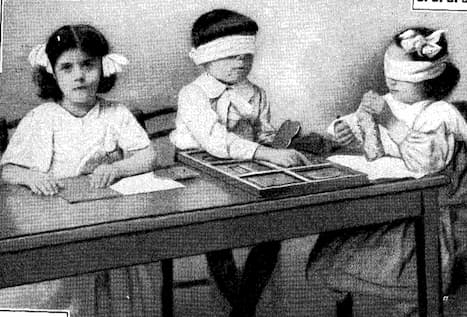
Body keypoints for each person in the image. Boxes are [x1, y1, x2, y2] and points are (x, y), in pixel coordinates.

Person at [0, 24, 160, 316]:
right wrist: (32, 176)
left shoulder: (116, 114)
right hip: (59, 229)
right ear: (53, 74)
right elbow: (7, 170)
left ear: (103, 67)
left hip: (109, 225)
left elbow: (148, 156)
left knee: (122, 286)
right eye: (67, 67)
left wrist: (118, 167)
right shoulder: (41, 118)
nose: (79, 75)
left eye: (88, 65)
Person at [307, 27, 467, 316]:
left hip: (432, 219)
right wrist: (341, 130)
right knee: (333, 249)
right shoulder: (390, 102)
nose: (392, 80)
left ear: (430, 77)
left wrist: (388, 120)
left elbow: (426, 162)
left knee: (359, 261)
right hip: (394, 205)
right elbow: (356, 124)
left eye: (403, 75)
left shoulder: (440, 114)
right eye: (389, 71)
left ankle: (418, 303)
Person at [170, 9, 310, 317]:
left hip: (243, 170)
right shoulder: (192, 95)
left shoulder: (254, 93)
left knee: (272, 228)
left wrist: (280, 139)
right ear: (205, 57)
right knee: (218, 232)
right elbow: (216, 142)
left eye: (246, 55)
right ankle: (243, 310)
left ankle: (242, 308)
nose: (240, 63)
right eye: (230, 56)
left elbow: (263, 134)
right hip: (197, 172)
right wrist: (267, 153)